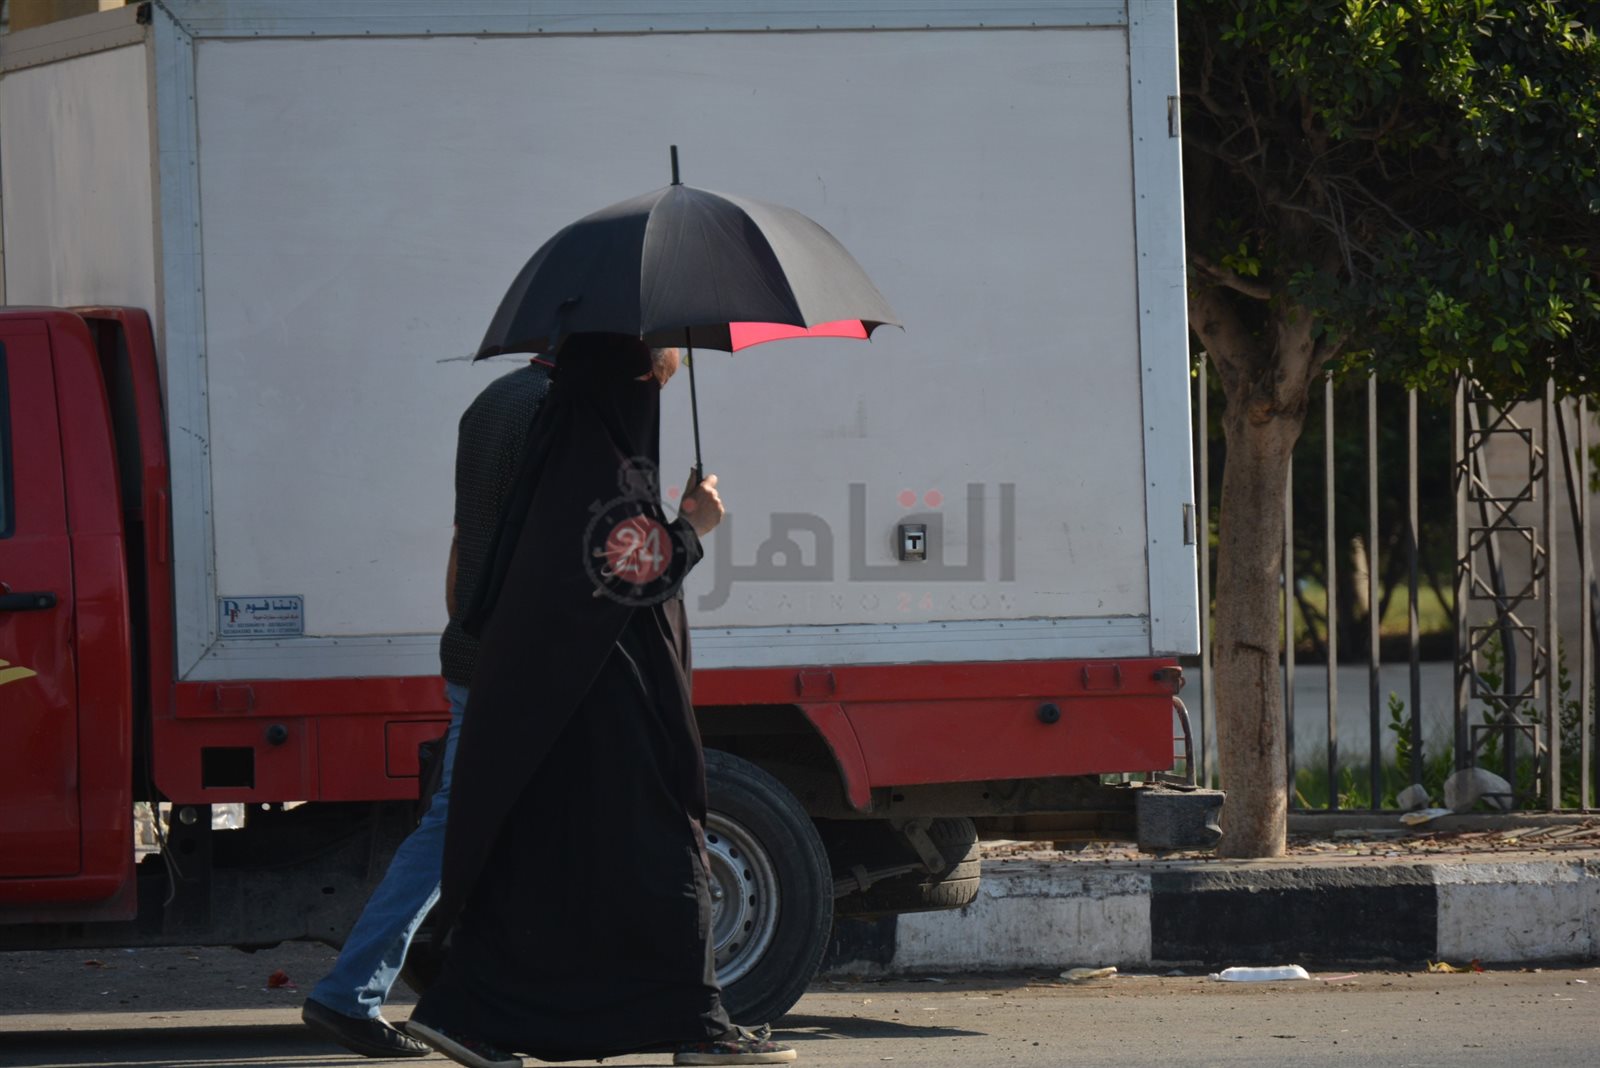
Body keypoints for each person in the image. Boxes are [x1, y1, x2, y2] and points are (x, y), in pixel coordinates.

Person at [404, 334, 796, 1068]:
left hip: (544, 690)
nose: (654, 397)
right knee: (664, 848)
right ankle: (697, 1029)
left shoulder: (560, 439)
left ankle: (471, 1017)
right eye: (652, 380)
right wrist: (692, 525)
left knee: (543, 861)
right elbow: (631, 567)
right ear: (626, 382)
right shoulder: (595, 456)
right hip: (603, 692)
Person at [301, 356, 554, 1058]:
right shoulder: (557, 412)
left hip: (474, 648)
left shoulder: (494, 402)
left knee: (467, 833)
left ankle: (362, 995)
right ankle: (432, 1006)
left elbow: (464, 538)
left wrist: (467, 623)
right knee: (474, 835)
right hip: (518, 664)